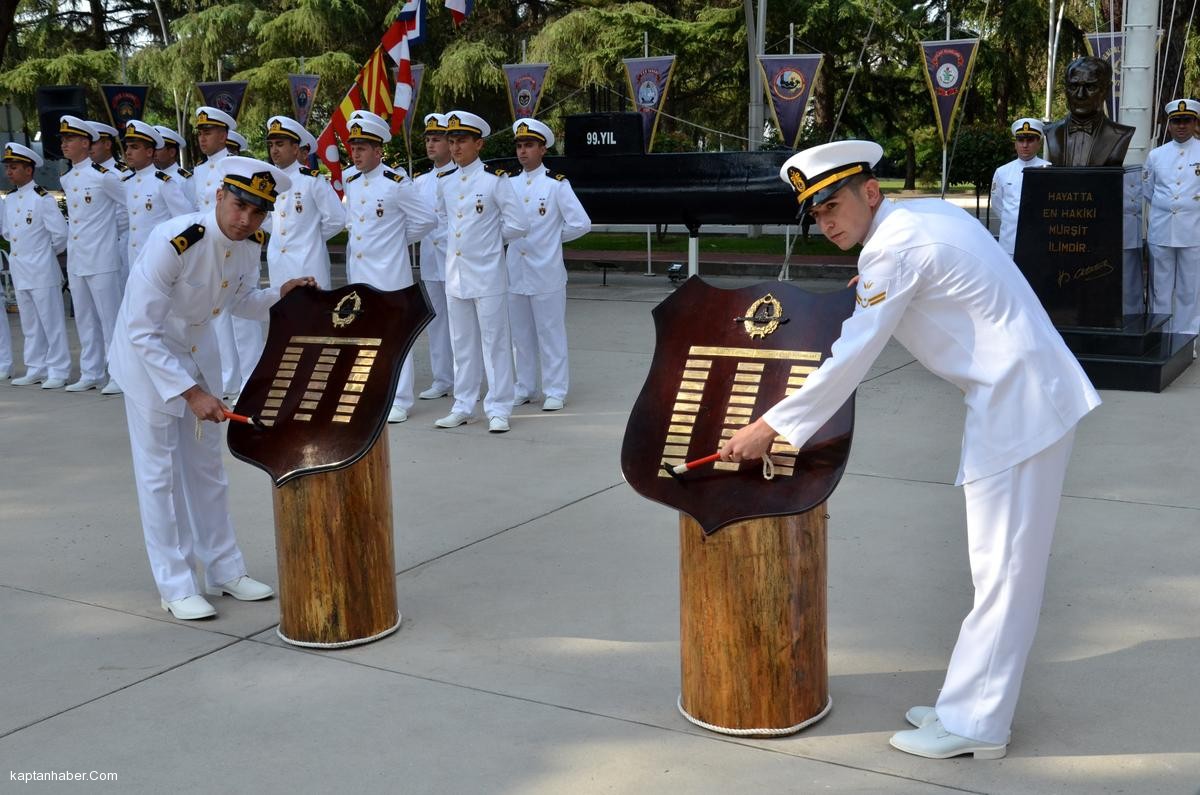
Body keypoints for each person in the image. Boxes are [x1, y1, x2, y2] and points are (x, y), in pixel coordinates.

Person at [721, 140, 1101, 760]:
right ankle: (966, 702)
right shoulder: (925, 218)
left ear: (871, 192)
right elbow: (936, 273)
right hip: (1021, 392)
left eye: (835, 205)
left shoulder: (894, 250)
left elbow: (852, 356)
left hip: (1020, 404)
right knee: (997, 568)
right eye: (817, 215)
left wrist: (773, 426)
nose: (827, 223)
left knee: (1003, 571)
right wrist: (877, 273)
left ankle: (978, 724)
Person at [107, 156, 317, 620]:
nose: (246, 219)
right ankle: (176, 584)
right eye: (240, 205)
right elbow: (142, 331)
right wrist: (190, 393)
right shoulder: (176, 241)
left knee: (206, 471)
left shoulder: (248, 245)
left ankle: (224, 570)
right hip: (149, 363)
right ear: (219, 196)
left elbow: (239, 301)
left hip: (197, 353)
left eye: (258, 212)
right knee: (160, 476)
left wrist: (279, 295)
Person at [434, 110, 527, 433]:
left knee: (496, 342)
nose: (455, 147)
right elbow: (445, 223)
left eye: (461, 141)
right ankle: (463, 403)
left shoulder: (494, 180)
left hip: (487, 274)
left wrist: (489, 243)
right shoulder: (445, 183)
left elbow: (518, 223)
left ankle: (499, 406)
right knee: (462, 343)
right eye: (452, 141)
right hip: (456, 274)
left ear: (479, 144)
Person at [342, 113, 435, 423]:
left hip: (390, 273)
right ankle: (372, 395)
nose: (356, 153)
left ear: (379, 150)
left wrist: (395, 241)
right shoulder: (350, 181)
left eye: (363, 147)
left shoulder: (396, 183)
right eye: (353, 147)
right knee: (365, 340)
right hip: (360, 274)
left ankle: (400, 399)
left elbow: (426, 220)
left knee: (394, 338)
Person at [504, 118, 591, 411]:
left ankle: (555, 389)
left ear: (543, 149)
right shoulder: (508, 184)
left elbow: (581, 223)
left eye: (529, 145)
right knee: (520, 335)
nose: (523, 151)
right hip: (515, 269)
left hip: (546, 272)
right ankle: (525, 387)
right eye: (519, 145)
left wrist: (553, 239)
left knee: (550, 332)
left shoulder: (556, 185)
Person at [192, 105, 263, 398]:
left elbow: (258, 209)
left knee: (244, 320)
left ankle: (252, 380)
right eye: (200, 133)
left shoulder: (240, 167)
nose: (202, 138)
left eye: (208, 132)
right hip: (211, 251)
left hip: (240, 246)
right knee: (217, 317)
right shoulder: (197, 172)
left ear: (224, 135)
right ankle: (228, 379)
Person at [58, 115, 126, 394]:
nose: (64, 145)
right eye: (63, 140)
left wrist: (112, 235)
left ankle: (118, 374)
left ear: (86, 143)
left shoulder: (104, 178)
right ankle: (91, 371)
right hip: (78, 258)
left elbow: (129, 208)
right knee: (85, 319)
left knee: (110, 319)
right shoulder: (66, 178)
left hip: (102, 257)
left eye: (70, 139)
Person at [2, 143, 69, 385]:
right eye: (8, 167)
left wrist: (43, 255)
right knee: (29, 323)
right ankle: (36, 367)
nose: (9, 172)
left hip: (42, 270)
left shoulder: (42, 199)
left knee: (52, 323)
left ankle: (59, 371)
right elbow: (9, 233)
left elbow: (60, 235)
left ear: (29, 170)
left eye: (14, 167)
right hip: (20, 270)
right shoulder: (9, 200)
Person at [264, 115, 344, 290]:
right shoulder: (268, 180)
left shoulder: (312, 180)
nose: (274, 150)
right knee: (283, 314)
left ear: (295, 148)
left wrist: (310, 237)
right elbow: (265, 218)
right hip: (278, 263)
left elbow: (336, 219)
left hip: (308, 264)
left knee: (312, 315)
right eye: (271, 145)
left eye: (280, 144)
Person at [1142, 98, 1200, 334]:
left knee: (1190, 289)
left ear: (1195, 122)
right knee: (1160, 288)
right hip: (1162, 229)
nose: (1181, 125)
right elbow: (1149, 192)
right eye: (1176, 121)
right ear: (1169, 124)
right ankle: (1161, 335)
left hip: (1194, 231)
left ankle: (1187, 338)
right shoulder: (1156, 155)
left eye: (1186, 120)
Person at [412, 112, 458, 401]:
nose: (431, 144)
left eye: (437, 139)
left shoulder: (462, 175)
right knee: (437, 322)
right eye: (428, 139)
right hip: (431, 261)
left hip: (459, 262)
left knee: (465, 326)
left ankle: (468, 381)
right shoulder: (420, 183)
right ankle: (442, 379)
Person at [120, 120, 193, 268]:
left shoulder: (163, 183)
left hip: (159, 260)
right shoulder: (128, 183)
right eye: (127, 147)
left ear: (149, 152)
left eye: (134, 147)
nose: (128, 152)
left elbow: (186, 221)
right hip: (134, 259)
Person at [1043, 56, 1135, 167]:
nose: (1080, 95)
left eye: (1090, 87)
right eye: (1073, 86)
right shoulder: (1052, 132)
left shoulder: (1120, 135)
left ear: (1107, 90)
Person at [990, 118, 1049, 256]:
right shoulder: (1002, 172)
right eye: (1021, 140)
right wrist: (1014, 219)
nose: (1025, 145)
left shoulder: (1049, 170)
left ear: (1038, 144)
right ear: (1015, 144)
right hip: (1010, 242)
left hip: (1039, 241)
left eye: (1030, 140)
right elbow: (997, 205)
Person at [153, 125, 197, 210]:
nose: (153, 153)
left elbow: (193, 210)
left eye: (158, 149)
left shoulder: (184, 179)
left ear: (172, 152)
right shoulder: (153, 176)